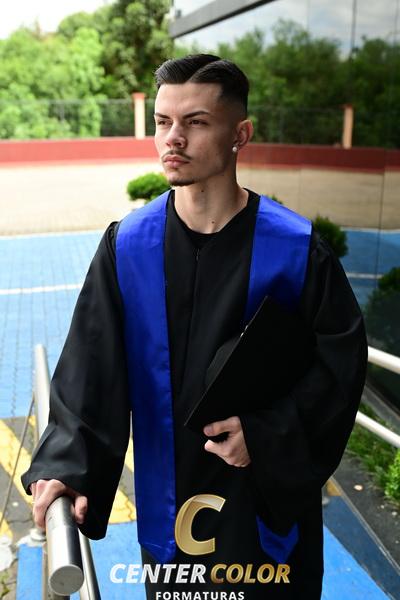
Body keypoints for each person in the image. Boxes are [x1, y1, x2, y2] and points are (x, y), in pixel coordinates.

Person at [22, 55, 367, 599]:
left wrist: (267, 434)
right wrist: (68, 466)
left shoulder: (296, 250)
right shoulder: (127, 248)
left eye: (196, 122)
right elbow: (90, 371)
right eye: (163, 122)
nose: (173, 138)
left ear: (240, 135)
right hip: (170, 523)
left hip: (264, 522)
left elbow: (339, 371)